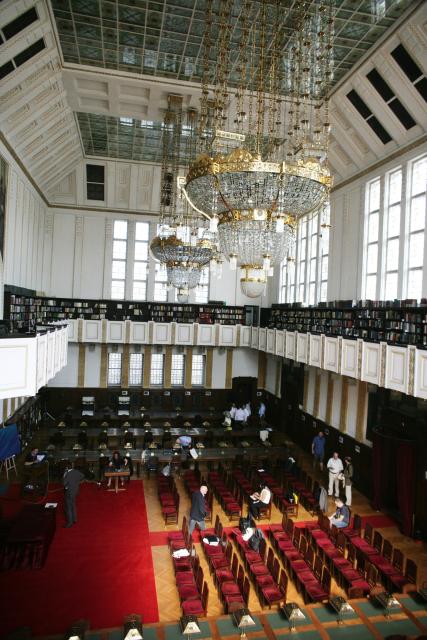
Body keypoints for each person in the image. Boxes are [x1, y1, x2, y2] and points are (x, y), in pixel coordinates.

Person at [63, 463, 85, 528]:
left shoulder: (67, 474)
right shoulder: (76, 471)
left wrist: (65, 474)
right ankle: (75, 519)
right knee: (73, 504)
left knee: (68, 507)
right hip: (75, 491)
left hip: (69, 492)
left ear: (67, 468)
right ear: (72, 467)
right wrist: (77, 481)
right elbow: (82, 476)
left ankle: (70, 522)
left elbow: (64, 483)